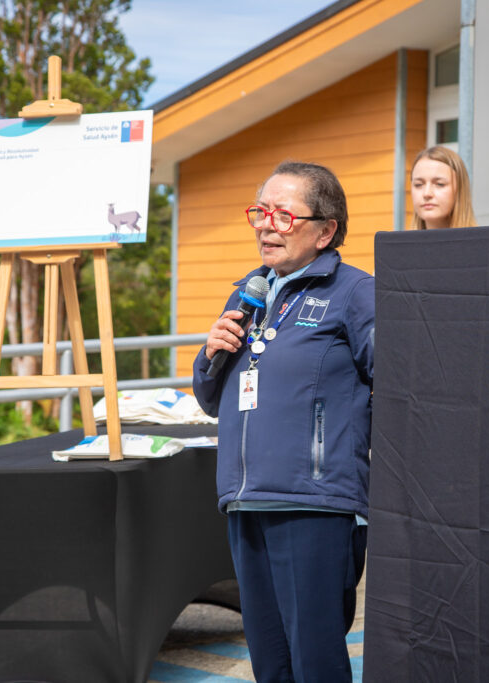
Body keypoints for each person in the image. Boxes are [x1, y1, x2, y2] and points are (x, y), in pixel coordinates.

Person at [193, 161, 374, 682]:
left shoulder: (355, 293)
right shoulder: (247, 293)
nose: (266, 224)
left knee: (315, 661)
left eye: (283, 215)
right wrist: (211, 353)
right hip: (246, 499)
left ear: (326, 230)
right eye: (260, 211)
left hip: (314, 502)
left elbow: (401, 383)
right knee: (271, 664)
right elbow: (210, 397)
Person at [409, 145, 478, 229]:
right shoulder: (400, 242)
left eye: (439, 184)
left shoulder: (484, 241)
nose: (426, 193)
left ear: (460, 189)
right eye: (418, 184)